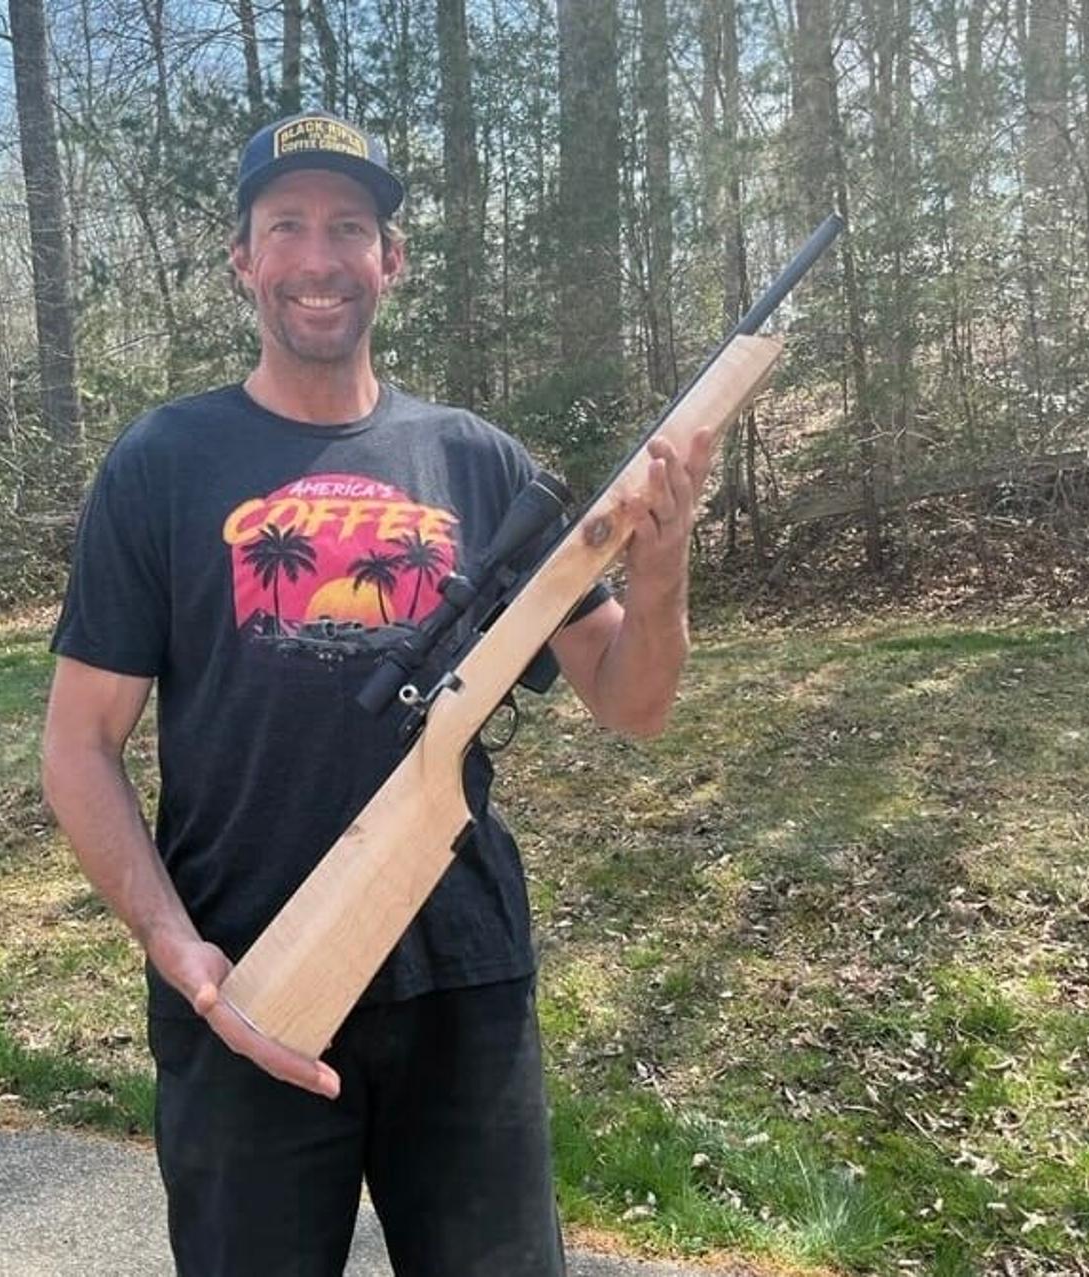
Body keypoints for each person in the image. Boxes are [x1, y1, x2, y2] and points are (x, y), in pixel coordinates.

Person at [41, 109, 713, 1277]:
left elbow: (632, 697)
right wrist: (176, 946)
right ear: (242, 258)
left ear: (390, 260)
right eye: (286, 225)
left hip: (462, 980)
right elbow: (79, 744)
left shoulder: (480, 464)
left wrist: (659, 570)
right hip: (248, 982)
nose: (317, 257)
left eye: (349, 227)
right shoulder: (161, 463)